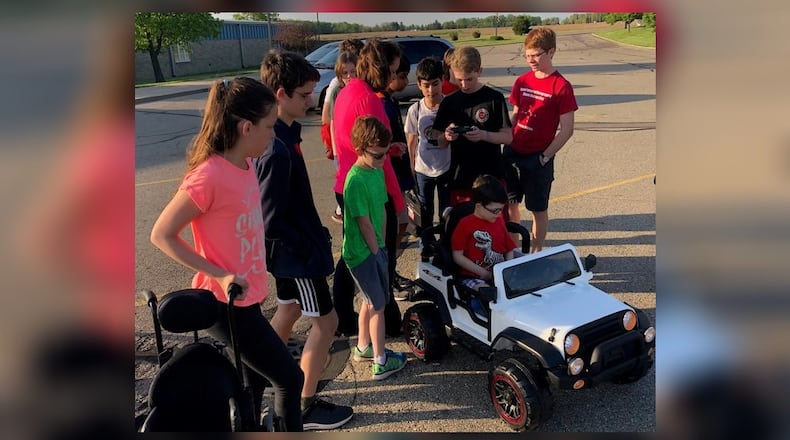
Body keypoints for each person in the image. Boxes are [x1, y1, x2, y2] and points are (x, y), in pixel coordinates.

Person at [149, 77, 304, 431]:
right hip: (224, 304)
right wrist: (219, 273)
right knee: (289, 379)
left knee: (254, 383)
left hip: (246, 300)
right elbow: (162, 234)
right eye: (269, 126)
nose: (273, 135)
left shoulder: (247, 164)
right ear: (245, 127)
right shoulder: (208, 176)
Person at [257, 51, 354, 431]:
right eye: (304, 94)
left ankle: (259, 375)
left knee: (288, 311)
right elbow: (270, 220)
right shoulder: (275, 148)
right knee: (326, 325)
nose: (312, 101)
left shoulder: (283, 134)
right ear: (280, 94)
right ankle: (303, 404)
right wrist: (309, 247)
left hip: (290, 255)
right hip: (297, 259)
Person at [331, 38, 405, 337]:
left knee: (354, 251)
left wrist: (391, 148)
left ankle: (343, 316)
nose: (394, 76)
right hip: (368, 185)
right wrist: (399, 206)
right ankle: (385, 317)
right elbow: (382, 163)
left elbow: (356, 142)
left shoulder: (348, 90)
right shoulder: (370, 100)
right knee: (377, 255)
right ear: (383, 67)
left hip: (347, 180)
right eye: (394, 70)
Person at [343, 115, 408, 380]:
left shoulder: (376, 170)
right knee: (379, 306)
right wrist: (377, 251)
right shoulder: (355, 179)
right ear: (359, 150)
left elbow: (381, 210)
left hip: (376, 247)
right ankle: (381, 361)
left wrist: (385, 244)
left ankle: (363, 346)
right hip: (362, 253)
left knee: (369, 302)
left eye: (385, 154)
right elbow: (364, 222)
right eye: (378, 155)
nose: (383, 159)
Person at [507, 27, 578, 252]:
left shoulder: (561, 86)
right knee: (509, 205)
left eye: (536, 55)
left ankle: (536, 252)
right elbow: (515, 114)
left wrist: (544, 158)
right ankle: (512, 251)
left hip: (538, 158)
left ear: (551, 51)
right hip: (513, 151)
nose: (531, 60)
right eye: (528, 55)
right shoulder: (522, 81)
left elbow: (567, 130)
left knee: (538, 210)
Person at [433, 45, 513, 207]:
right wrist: (447, 136)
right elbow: (439, 141)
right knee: (463, 228)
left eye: (469, 79)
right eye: (459, 79)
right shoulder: (449, 102)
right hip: (460, 179)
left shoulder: (494, 98)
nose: (464, 85)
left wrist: (484, 135)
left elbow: (508, 137)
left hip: (491, 177)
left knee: (494, 226)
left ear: (479, 70)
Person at [450, 175, 517, 315]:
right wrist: (483, 273)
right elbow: (457, 256)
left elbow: (509, 248)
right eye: (495, 210)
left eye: (501, 209)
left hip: (499, 272)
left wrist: (508, 269)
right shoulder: (465, 225)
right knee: (485, 292)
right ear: (479, 206)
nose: (499, 214)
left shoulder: (498, 220)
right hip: (473, 276)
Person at [377, 53, 414, 301]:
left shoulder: (389, 99)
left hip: (399, 175)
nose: (402, 81)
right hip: (389, 179)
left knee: (403, 224)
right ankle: (387, 275)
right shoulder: (379, 103)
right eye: (398, 76)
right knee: (396, 226)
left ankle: (391, 269)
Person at [405, 56, 451, 234]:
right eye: (426, 85)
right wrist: (411, 174)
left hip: (446, 168)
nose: (431, 90)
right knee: (425, 213)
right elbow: (411, 143)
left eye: (435, 83)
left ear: (443, 81)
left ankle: (446, 248)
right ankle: (427, 247)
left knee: (446, 212)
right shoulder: (415, 110)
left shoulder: (450, 105)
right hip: (422, 171)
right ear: (419, 85)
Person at [321, 39, 364, 224]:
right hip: (343, 148)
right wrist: (335, 149)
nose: (349, 76)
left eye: (353, 72)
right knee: (346, 186)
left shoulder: (361, 89)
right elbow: (332, 122)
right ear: (339, 74)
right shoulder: (338, 91)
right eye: (345, 73)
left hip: (358, 146)